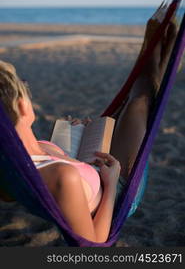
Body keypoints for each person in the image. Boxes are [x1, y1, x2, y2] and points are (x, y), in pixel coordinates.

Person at [0, 18, 177, 243]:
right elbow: (92, 250)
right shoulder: (64, 177)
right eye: (23, 88)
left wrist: (72, 140)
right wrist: (111, 183)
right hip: (118, 191)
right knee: (139, 104)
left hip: (91, 166)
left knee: (122, 112)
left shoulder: (11, 160)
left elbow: (18, 191)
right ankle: (157, 58)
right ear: (22, 106)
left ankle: (155, 59)